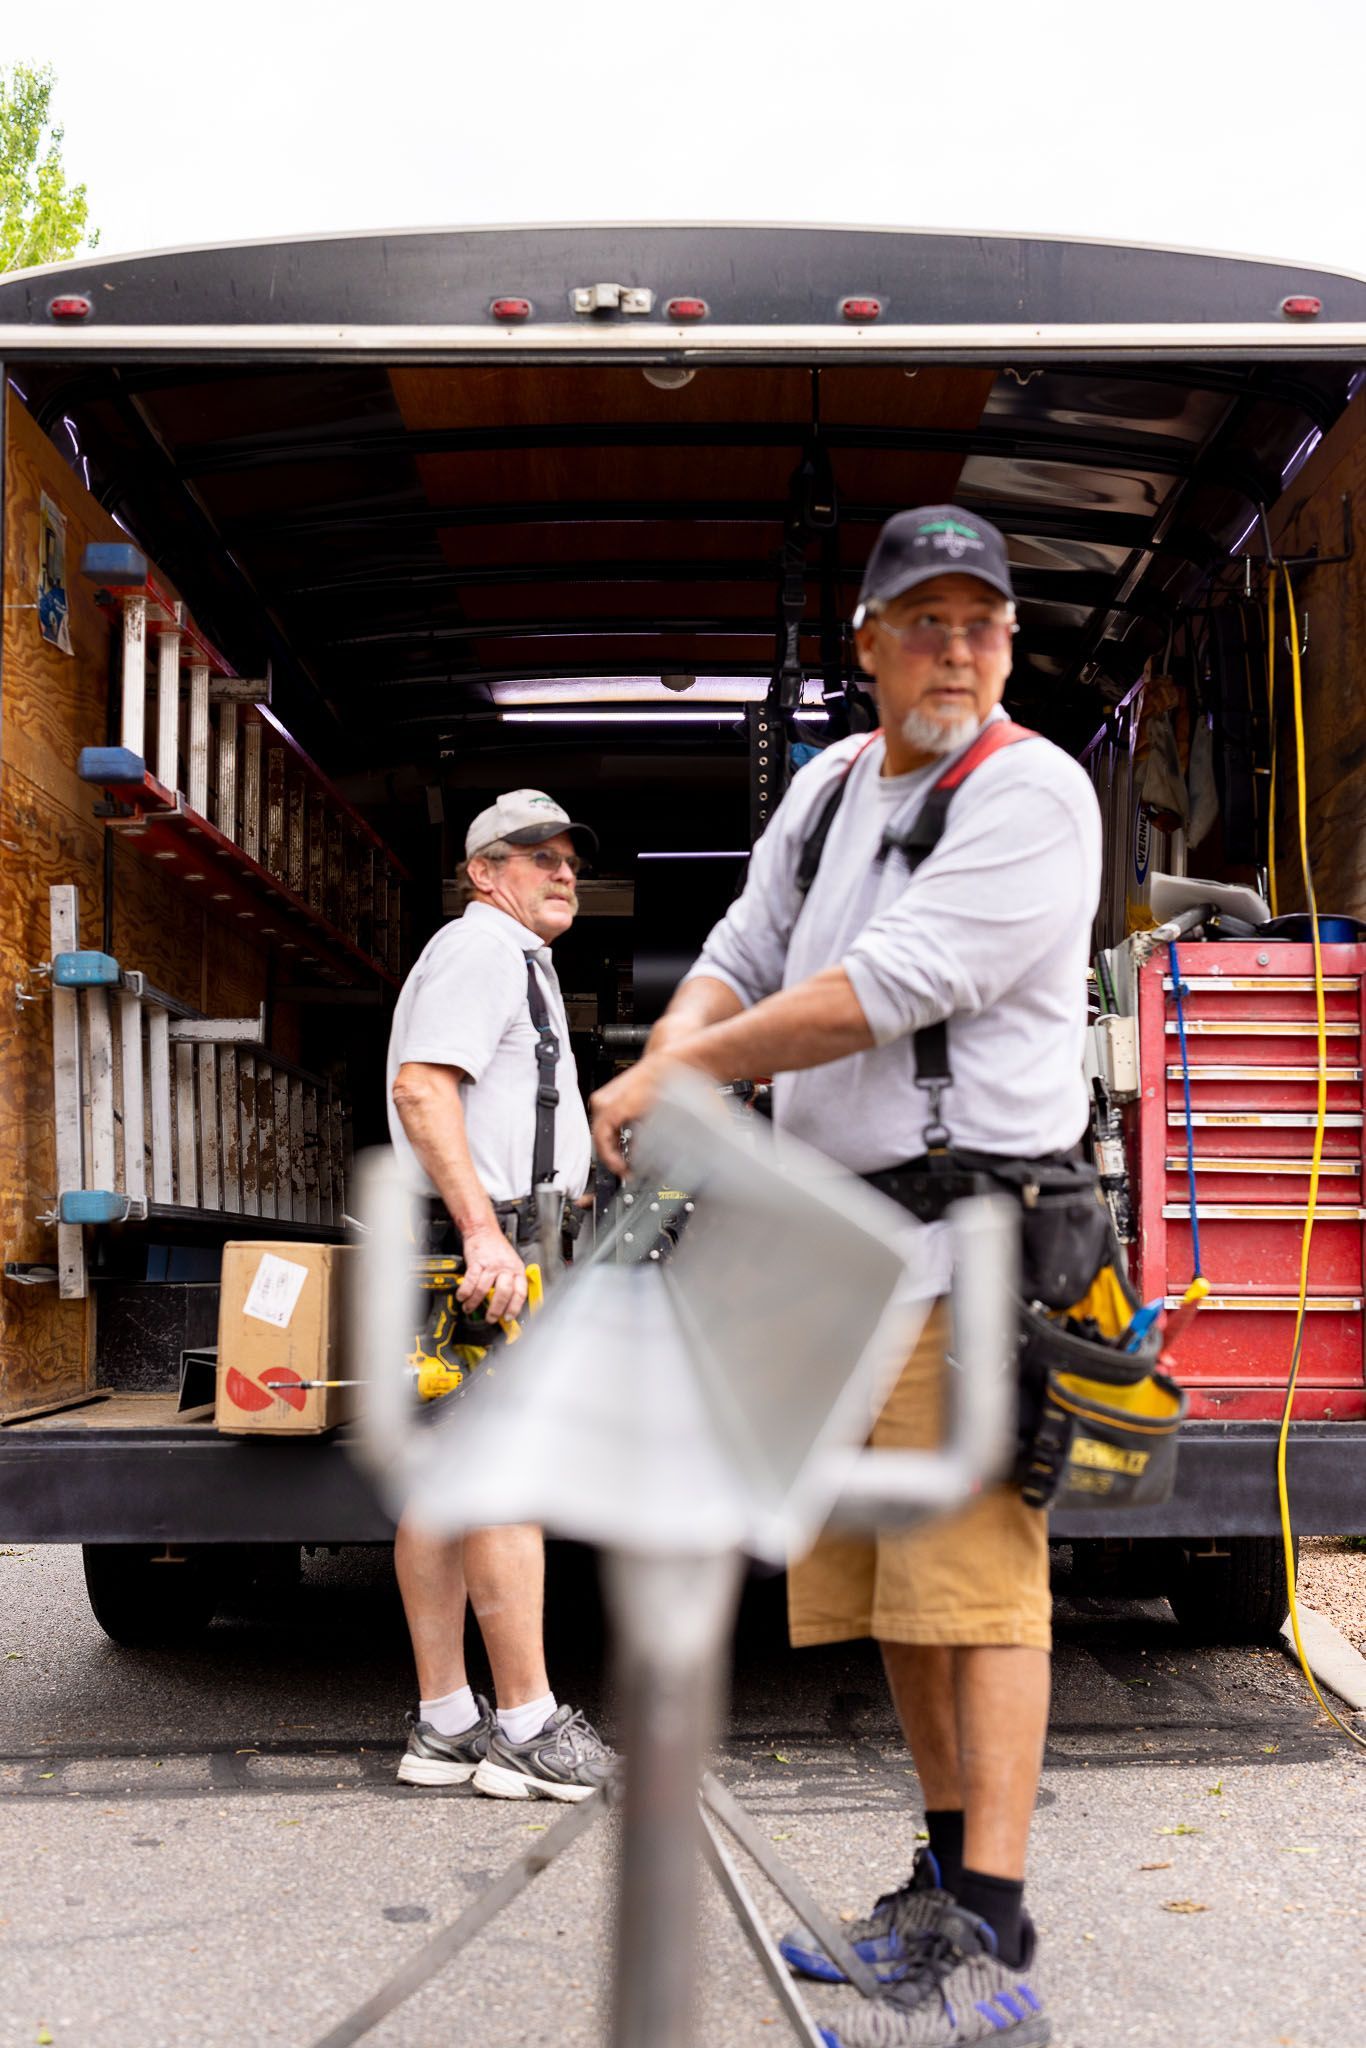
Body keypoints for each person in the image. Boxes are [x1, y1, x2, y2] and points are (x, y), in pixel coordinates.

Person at [590, 507, 1101, 2045]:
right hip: (841, 1259)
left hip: (971, 1250)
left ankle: (991, 1940)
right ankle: (938, 1889)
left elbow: (884, 992)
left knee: (977, 1590)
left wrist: (662, 1082)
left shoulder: (1031, 793)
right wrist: (673, 1054)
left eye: (980, 623)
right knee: (888, 1599)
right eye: (924, 621)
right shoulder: (823, 790)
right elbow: (745, 948)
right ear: (866, 643)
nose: (955, 647)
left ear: (1006, 643)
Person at [386, 788, 615, 1803]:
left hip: (485, 1240)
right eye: (536, 857)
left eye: (568, 858)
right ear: (484, 872)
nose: (561, 870)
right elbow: (422, 1087)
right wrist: (486, 1230)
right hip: (490, 1251)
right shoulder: (481, 951)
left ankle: (445, 1723)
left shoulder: (509, 958)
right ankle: (525, 1724)